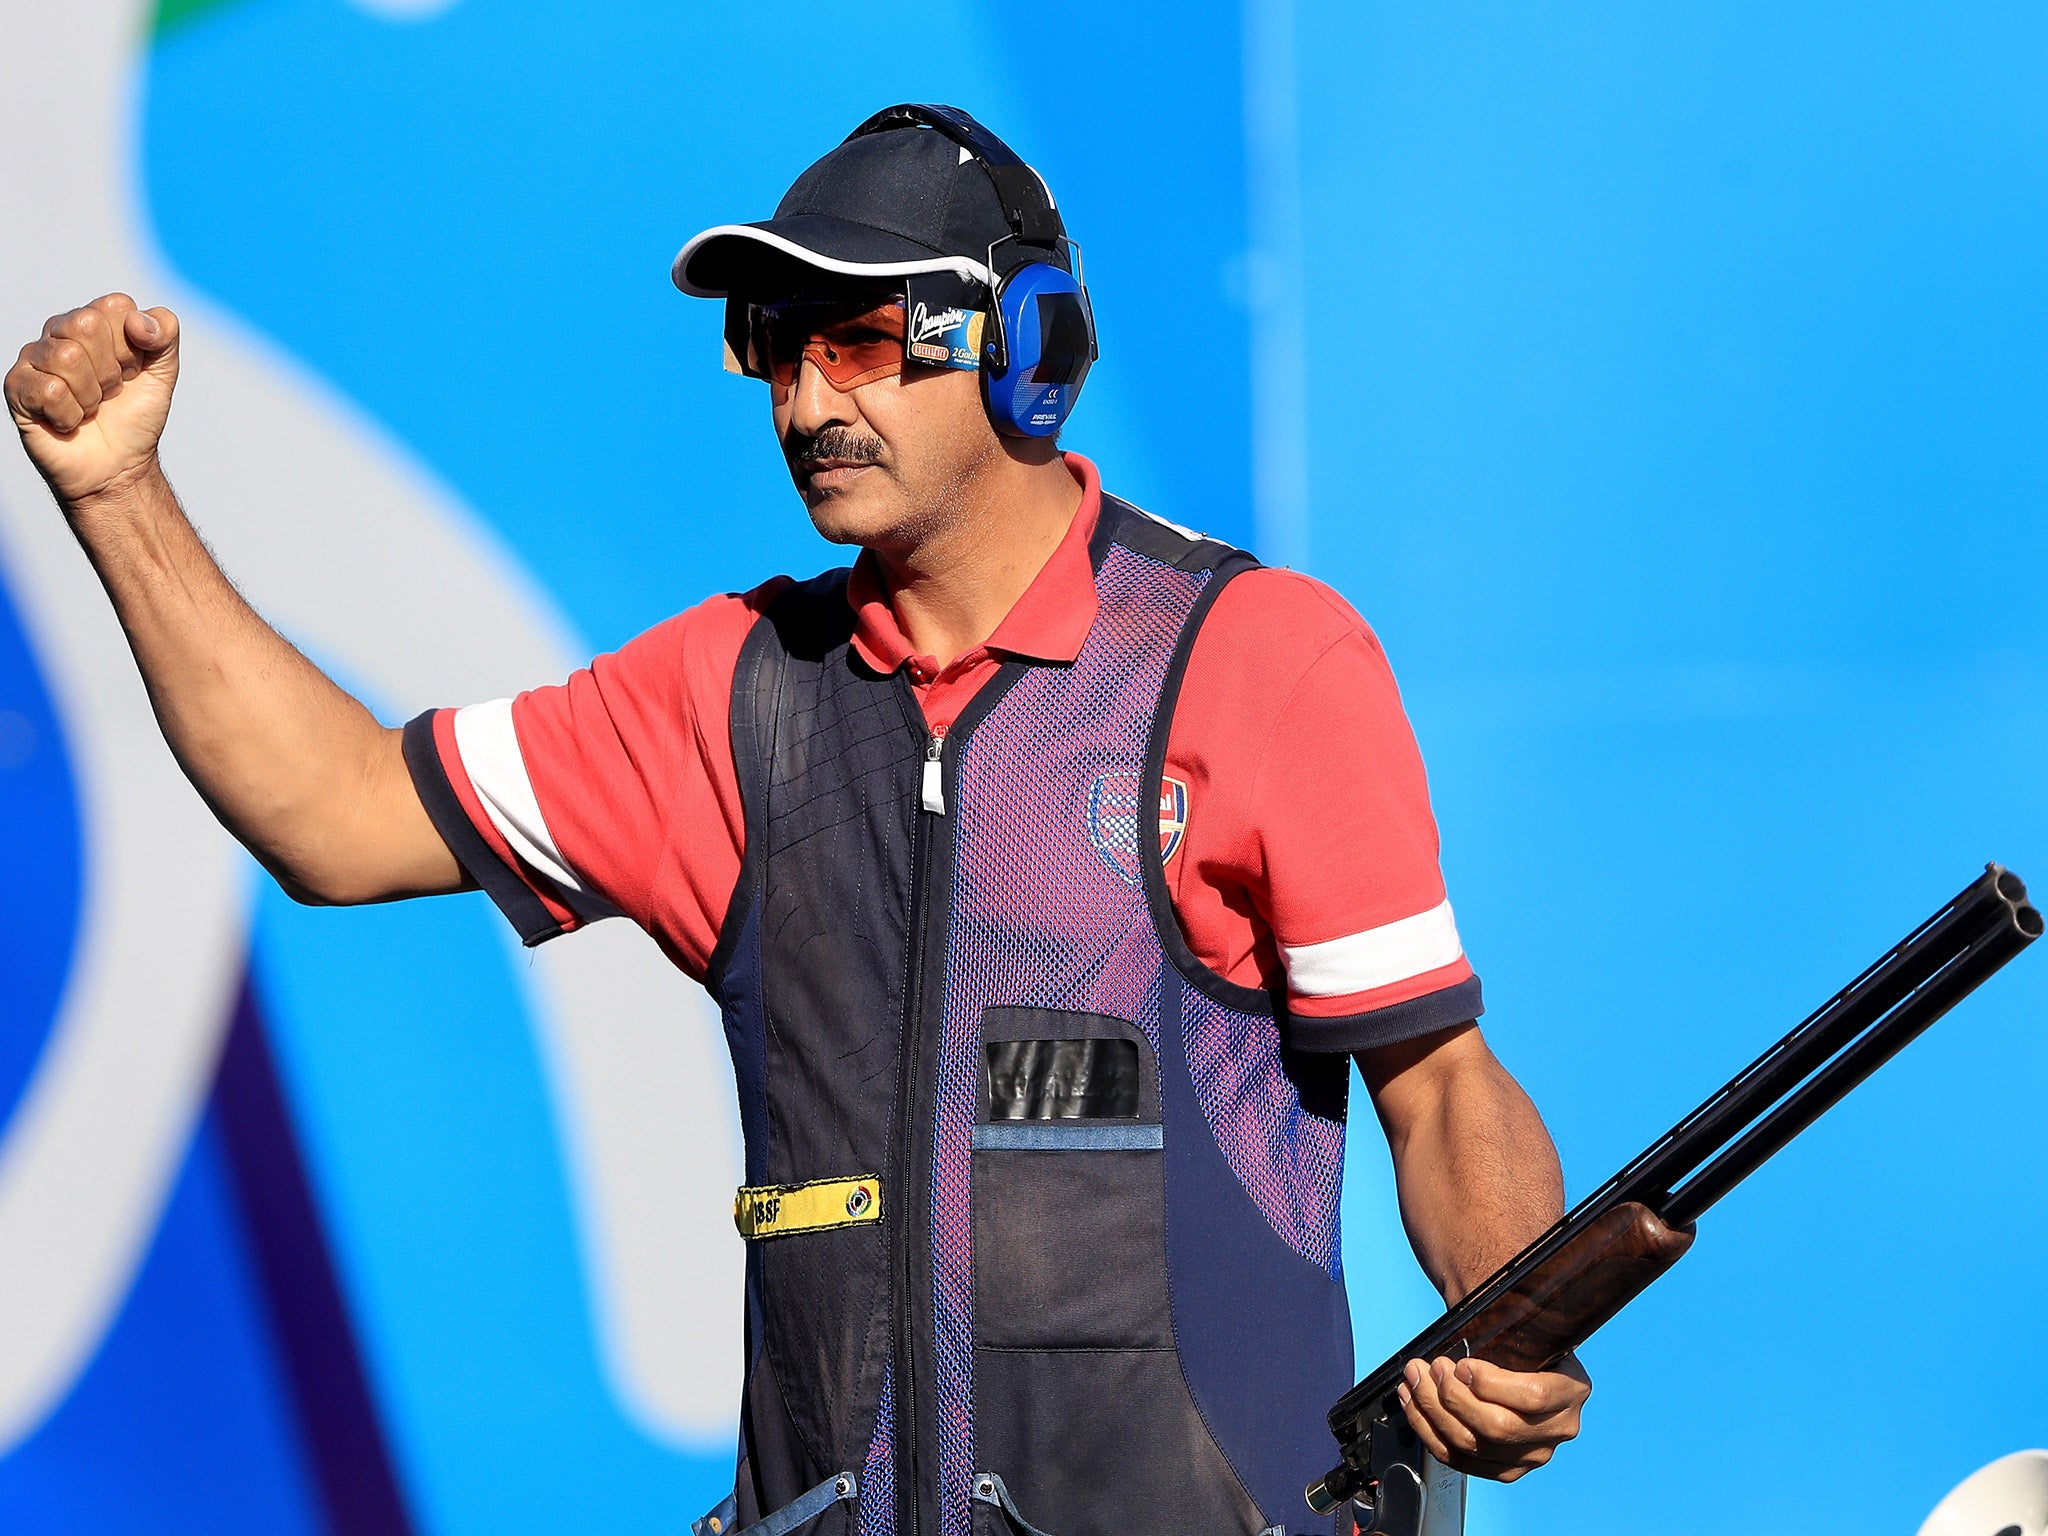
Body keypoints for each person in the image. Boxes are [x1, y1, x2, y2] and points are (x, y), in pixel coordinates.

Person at [8, 103, 1588, 1536]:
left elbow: (1440, 1095)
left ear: (1023, 343)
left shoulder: (1259, 660)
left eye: (861, 340)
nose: (805, 398)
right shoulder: (732, 690)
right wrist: (117, 497)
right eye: (778, 343)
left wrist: (1516, 1324)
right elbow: (337, 817)